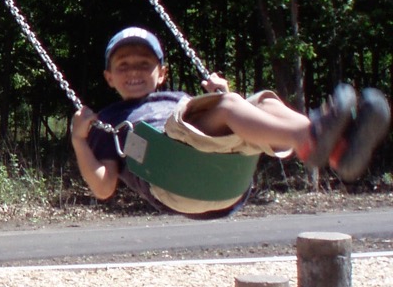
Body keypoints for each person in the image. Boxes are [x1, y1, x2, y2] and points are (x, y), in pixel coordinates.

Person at [71, 27, 390, 219]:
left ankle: (336, 148)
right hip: (174, 178)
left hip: (225, 178)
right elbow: (103, 187)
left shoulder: (176, 97)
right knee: (230, 105)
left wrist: (222, 97)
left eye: (144, 63)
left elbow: (213, 125)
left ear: (162, 73)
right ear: (109, 77)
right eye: (123, 65)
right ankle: (311, 136)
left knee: (260, 102)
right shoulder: (110, 120)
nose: (134, 71)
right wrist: (79, 140)